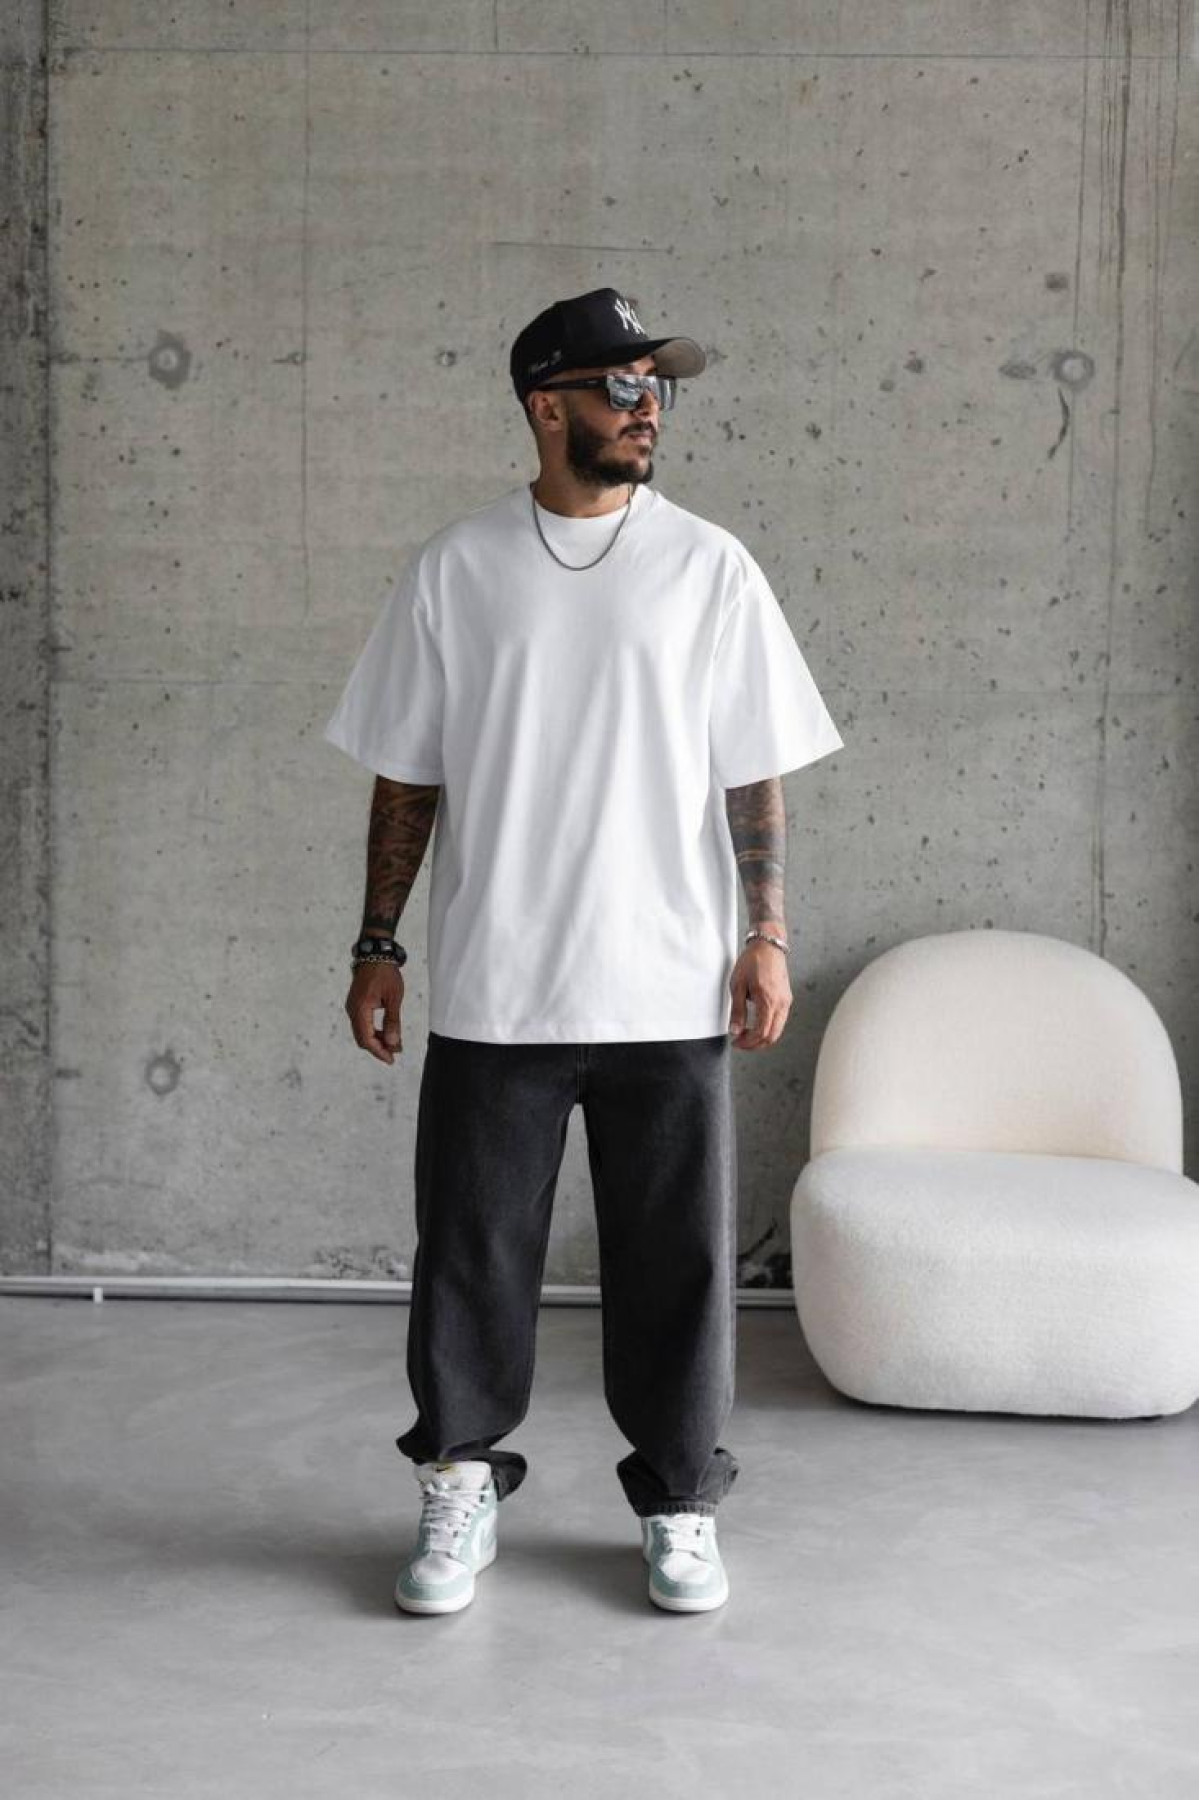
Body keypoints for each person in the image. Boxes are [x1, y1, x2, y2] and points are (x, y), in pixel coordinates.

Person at [323, 285, 844, 1617]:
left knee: (677, 1264)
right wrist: (379, 941)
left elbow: (752, 771)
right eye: (621, 385)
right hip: (497, 982)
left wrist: (767, 933)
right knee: (470, 1257)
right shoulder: (457, 568)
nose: (648, 406)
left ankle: (679, 1501)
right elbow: (407, 773)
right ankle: (459, 1479)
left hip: (668, 978)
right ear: (545, 405)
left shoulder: (710, 567)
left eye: (657, 385)